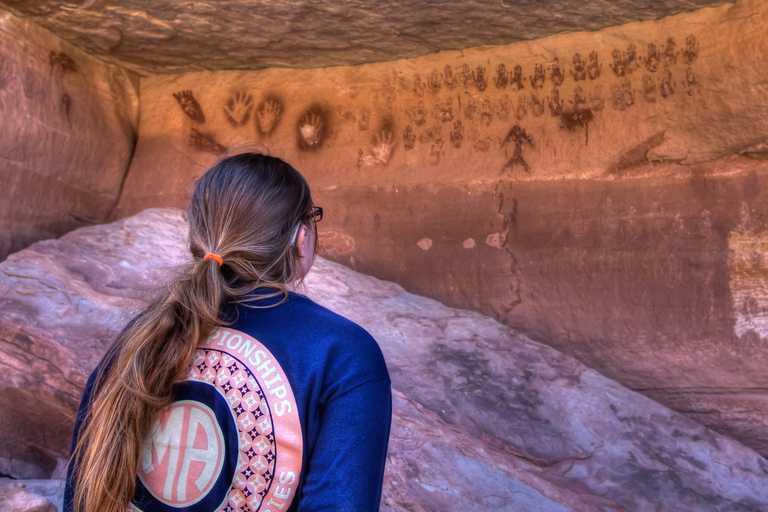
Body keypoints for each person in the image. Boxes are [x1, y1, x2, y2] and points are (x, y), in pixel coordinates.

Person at [63, 152, 392, 512]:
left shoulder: (137, 341)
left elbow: (83, 494)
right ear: (301, 238)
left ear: (198, 235)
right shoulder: (344, 355)